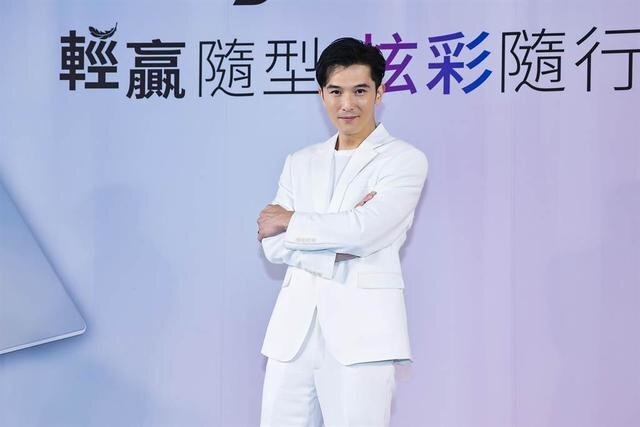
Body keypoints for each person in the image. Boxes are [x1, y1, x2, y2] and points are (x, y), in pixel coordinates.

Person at [257, 37, 428, 427]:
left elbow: (366, 232)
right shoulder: (300, 161)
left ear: (379, 92)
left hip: (362, 338)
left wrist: (291, 220)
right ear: (322, 95)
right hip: (292, 337)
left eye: (360, 91)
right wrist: (343, 236)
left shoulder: (404, 160)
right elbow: (273, 246)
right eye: (335, 91)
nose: (347, 103)